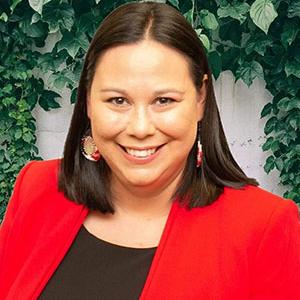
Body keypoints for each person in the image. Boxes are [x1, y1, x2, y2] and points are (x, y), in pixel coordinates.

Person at [0, 1, 300, 299]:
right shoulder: (37, 188)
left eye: (164, 100)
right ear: (88, 100)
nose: (140, 128)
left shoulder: (265, 227)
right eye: (118, 100)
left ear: (200, 99)